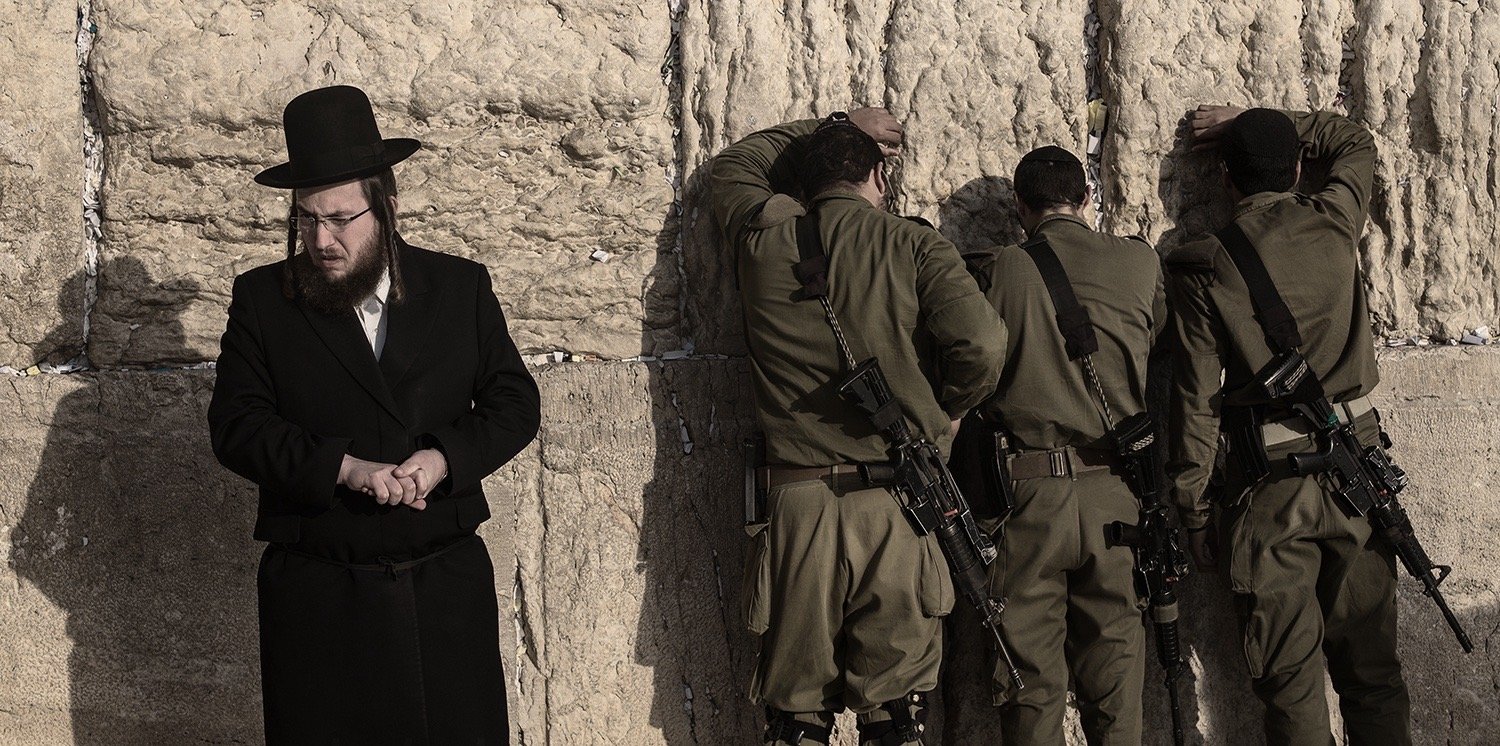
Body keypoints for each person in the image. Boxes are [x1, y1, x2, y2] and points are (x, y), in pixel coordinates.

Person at [207, 85, 540, 744]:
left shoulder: (459, 288)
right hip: (320, 600)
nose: (320, 239)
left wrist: (442, 459)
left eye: (340, 219)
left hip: (444, 595)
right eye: (306, 219)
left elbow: (513, 403)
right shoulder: (263, 301)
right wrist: (344, 468)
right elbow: (237, 426)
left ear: (386, 205)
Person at [710, 109, 1006, 745]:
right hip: (897, 506)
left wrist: (833, 123)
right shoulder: (912, 243)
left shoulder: (762, 241)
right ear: (879, 175)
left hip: (797, 506)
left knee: (796, 720)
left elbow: (732, 167)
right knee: (894, 717)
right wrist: (946, 414)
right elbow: (982, 345)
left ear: (806, 182)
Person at [1165, 105, 1410, 743]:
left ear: (1225, 177)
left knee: (1291, 687)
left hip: (1271, 490)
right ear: (1299, 168)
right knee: (1374, 676)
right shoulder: (1335, 219)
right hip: (1358, 475)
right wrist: (1252, 119)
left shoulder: (1205, 265)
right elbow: (1353, 140)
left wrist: (1194, 509)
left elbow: (1196, 400)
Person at [960, 146, 1164, 744]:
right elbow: (1160, 339)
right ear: (1086, 198)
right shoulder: (1140, 262)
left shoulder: (1004, 269)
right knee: (1117, 678)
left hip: (1030, 496)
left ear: (1021, 207)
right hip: (1116, 494)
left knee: (1029, 684)